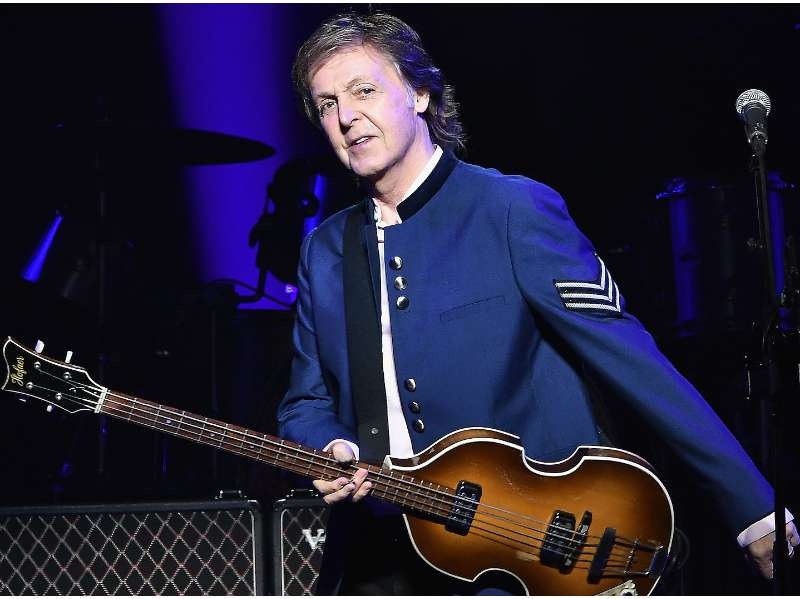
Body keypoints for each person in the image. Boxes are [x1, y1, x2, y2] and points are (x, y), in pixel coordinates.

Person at [277, 10, 799, 595]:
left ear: (420, 94)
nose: (346, 116)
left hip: (522, 555)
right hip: (380, 561)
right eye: (327, 104)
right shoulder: (325, 250)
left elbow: (635, 365)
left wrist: (752, 506)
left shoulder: (510, 210)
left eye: (363, 90)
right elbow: (305, 403)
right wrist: (333, 446)